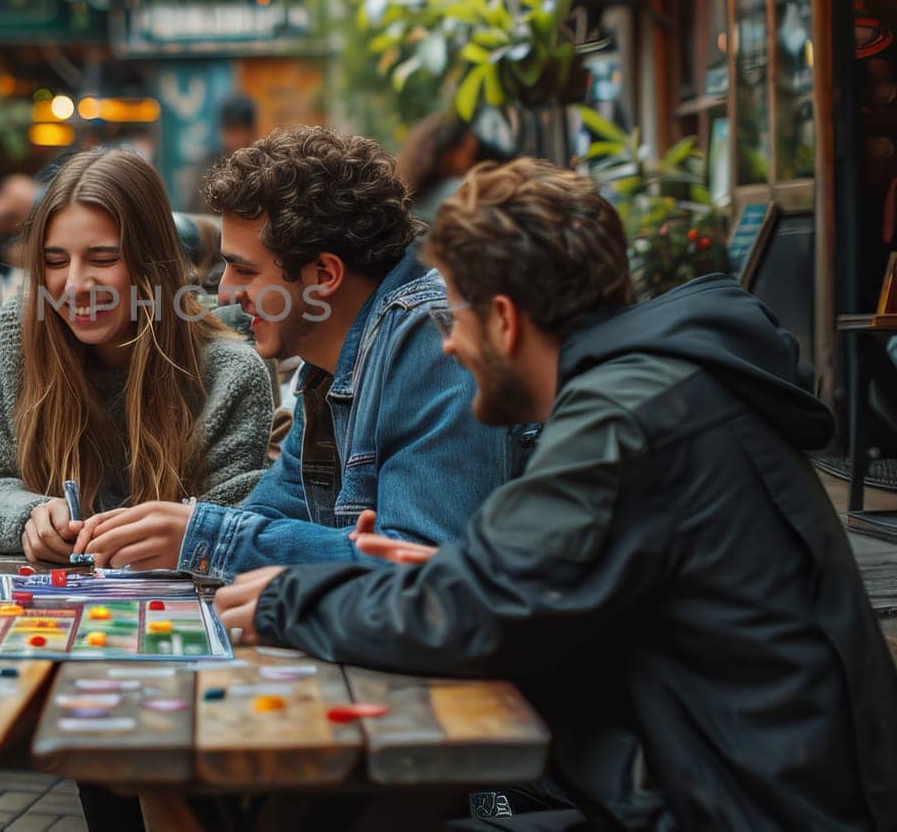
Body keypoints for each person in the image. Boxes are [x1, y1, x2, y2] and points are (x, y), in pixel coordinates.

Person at [216, 159, 897, 830]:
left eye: (454, 315)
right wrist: (457, 577)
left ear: (505, 320)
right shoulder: (648, 393)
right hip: (729, 786)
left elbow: (473, 613)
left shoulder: (621, 424)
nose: (447, 345)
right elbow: (508, 591)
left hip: (740, 806)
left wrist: (286, 597)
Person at [74, 126, 528, 576]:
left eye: (244, 270)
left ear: (325, 275)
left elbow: (421, 566)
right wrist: (194, 532)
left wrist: (205, 537)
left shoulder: (431, 339)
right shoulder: (328, 364)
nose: (226, 293)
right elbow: (274, 514)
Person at [0, 147, 273, 562]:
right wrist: (27, 516)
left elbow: (243, 523)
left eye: (103, 258)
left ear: (152, 260)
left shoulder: (231, 374)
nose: (75, 285)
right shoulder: (17, 331)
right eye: (55, 261)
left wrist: (181, 535)